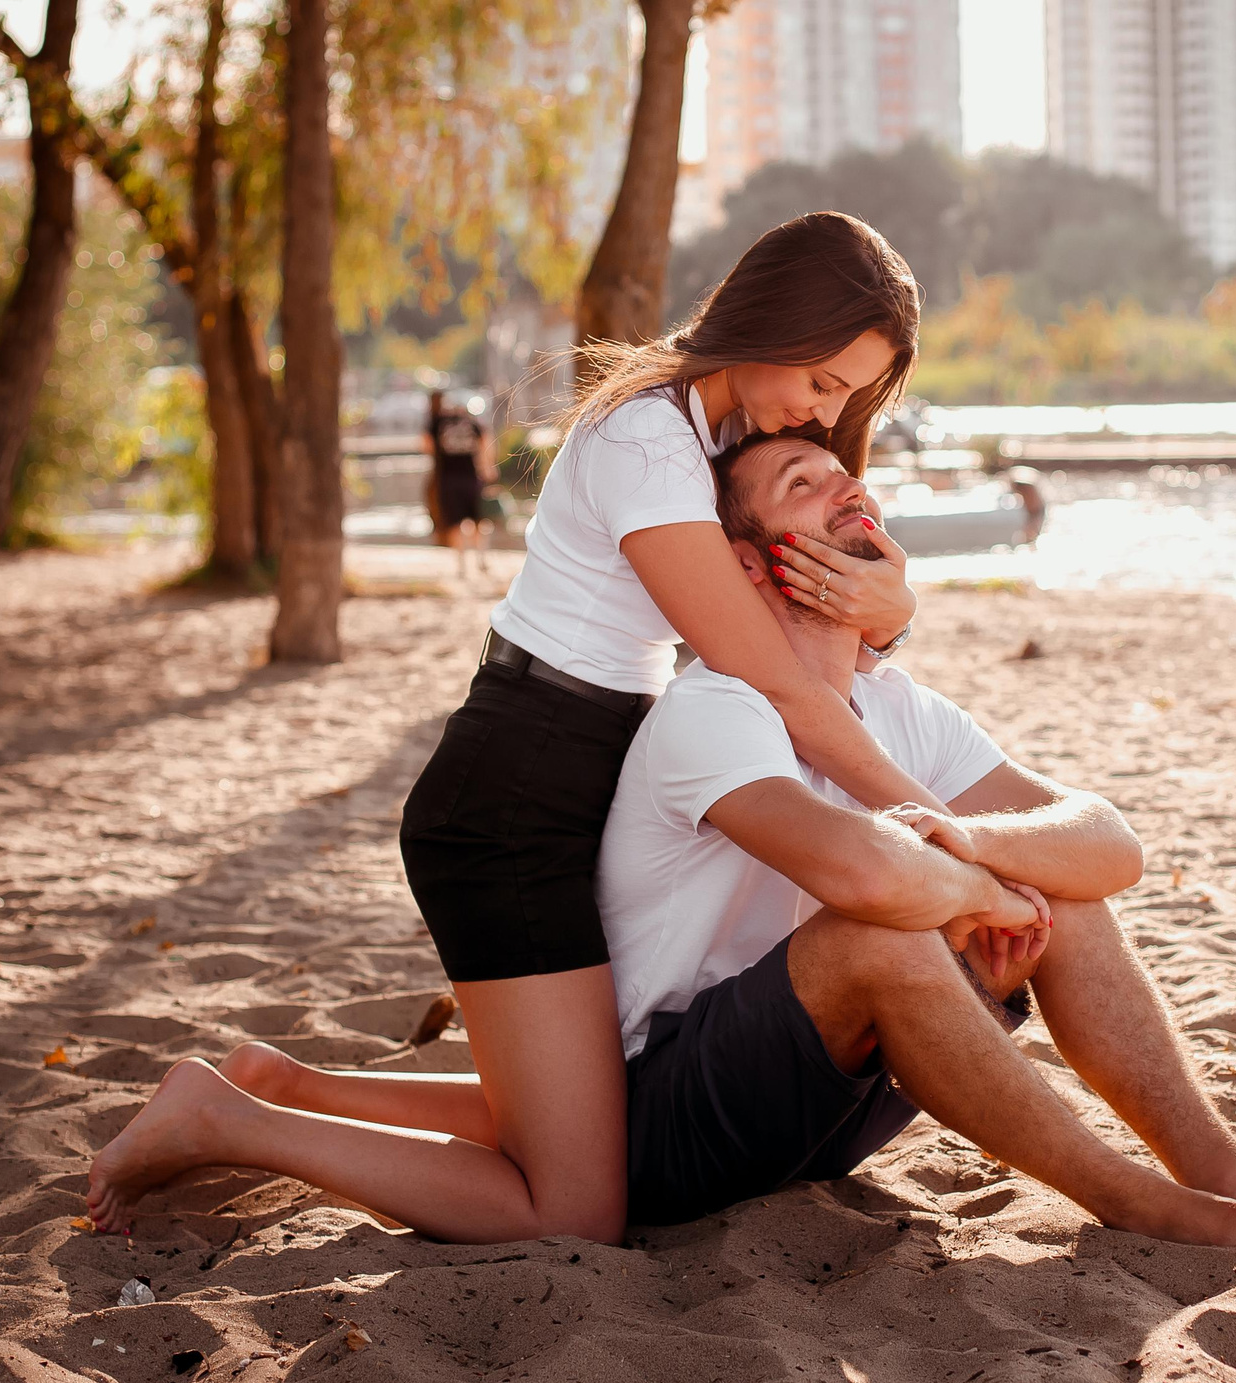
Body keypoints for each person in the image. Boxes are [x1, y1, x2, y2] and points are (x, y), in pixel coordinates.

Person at [87, 213, 941, 1242]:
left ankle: (285, 1086)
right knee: (572, 1205)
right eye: (821, 379)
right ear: (770, 319)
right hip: (512, 798)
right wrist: (939, 826)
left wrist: (889, 621)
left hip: (579, 780)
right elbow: (781, 685)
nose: (823, 409)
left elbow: (805, 642)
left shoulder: (719, 434)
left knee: (583, 1112)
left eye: (846, 396)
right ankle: (226, 1120)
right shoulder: (648, 436)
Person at [594, 433, 1236, 1249]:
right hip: (671, 1123)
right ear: (746, 564)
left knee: (1054, 877)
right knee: (879, 938)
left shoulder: (895, 706)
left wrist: (976, 841)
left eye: (847, 474)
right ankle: (1135, 1200)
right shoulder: (715, 707)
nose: (847, 488)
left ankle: (1229, 1177)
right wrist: (987, 894)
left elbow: (1110, 843)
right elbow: (867, 875)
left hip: (826, 1121)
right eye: (802, 482)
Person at [422, 388, 495, 579]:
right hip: (472, 478)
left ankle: (461, 564)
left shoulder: (438, 422)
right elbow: (486, 444)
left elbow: (425, 445)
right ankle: (481, 559)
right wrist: (488, 469)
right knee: (480, 521)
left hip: (448, 478)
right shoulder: (473, 422)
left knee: (455, 522)